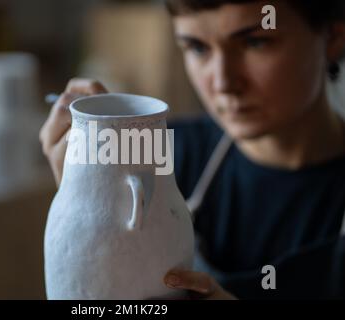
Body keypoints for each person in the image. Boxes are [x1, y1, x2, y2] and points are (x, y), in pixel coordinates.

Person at [40, 0, 345, 299]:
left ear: (333, 36)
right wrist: (86, 198)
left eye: (256, 42)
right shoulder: (162, 153)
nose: (223, 81)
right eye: (198, 47)